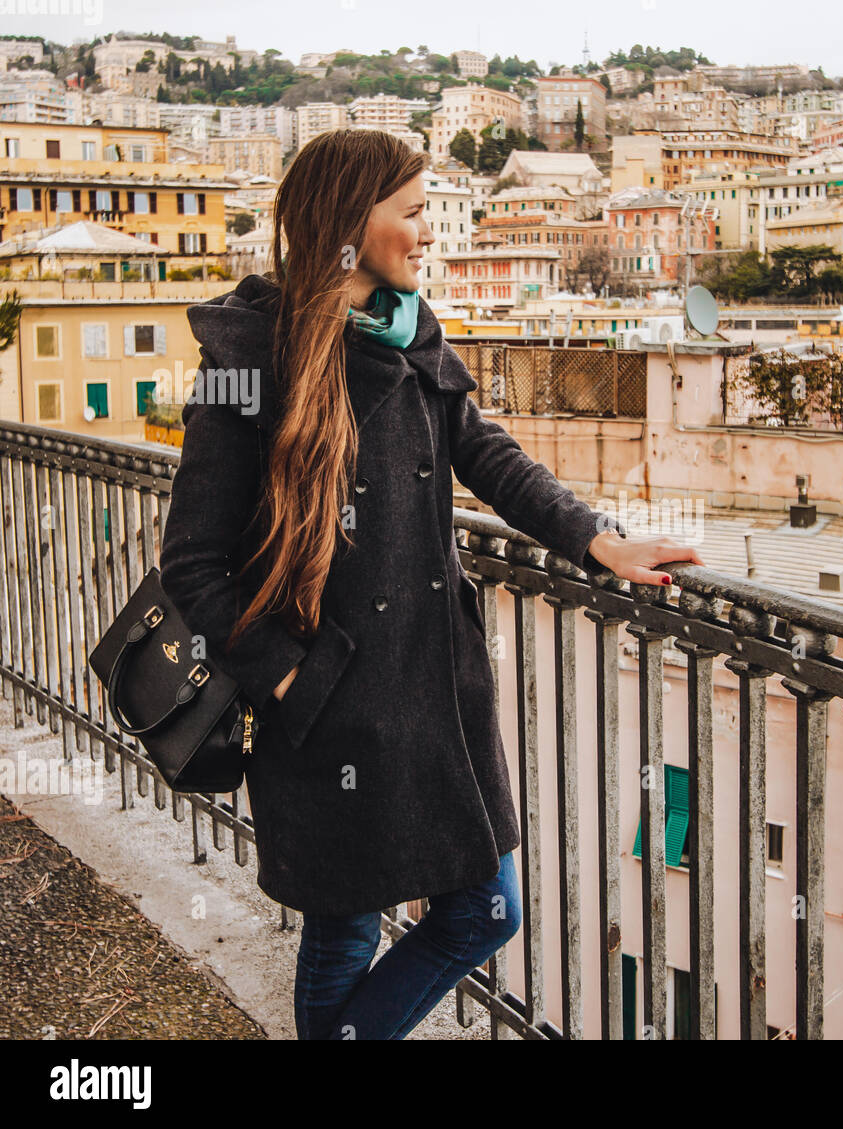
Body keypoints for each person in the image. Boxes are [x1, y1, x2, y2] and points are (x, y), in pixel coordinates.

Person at [159, 128, 703, 1039]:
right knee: (344, 928)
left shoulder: (411, 333)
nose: (428, 233)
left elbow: (486, 453)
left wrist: (598, 541)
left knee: (486, 909)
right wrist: (289, 675)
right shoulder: (251, 360)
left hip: (433, 691)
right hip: (328, 702)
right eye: (413, 213)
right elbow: (192, 564)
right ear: (348, 223)